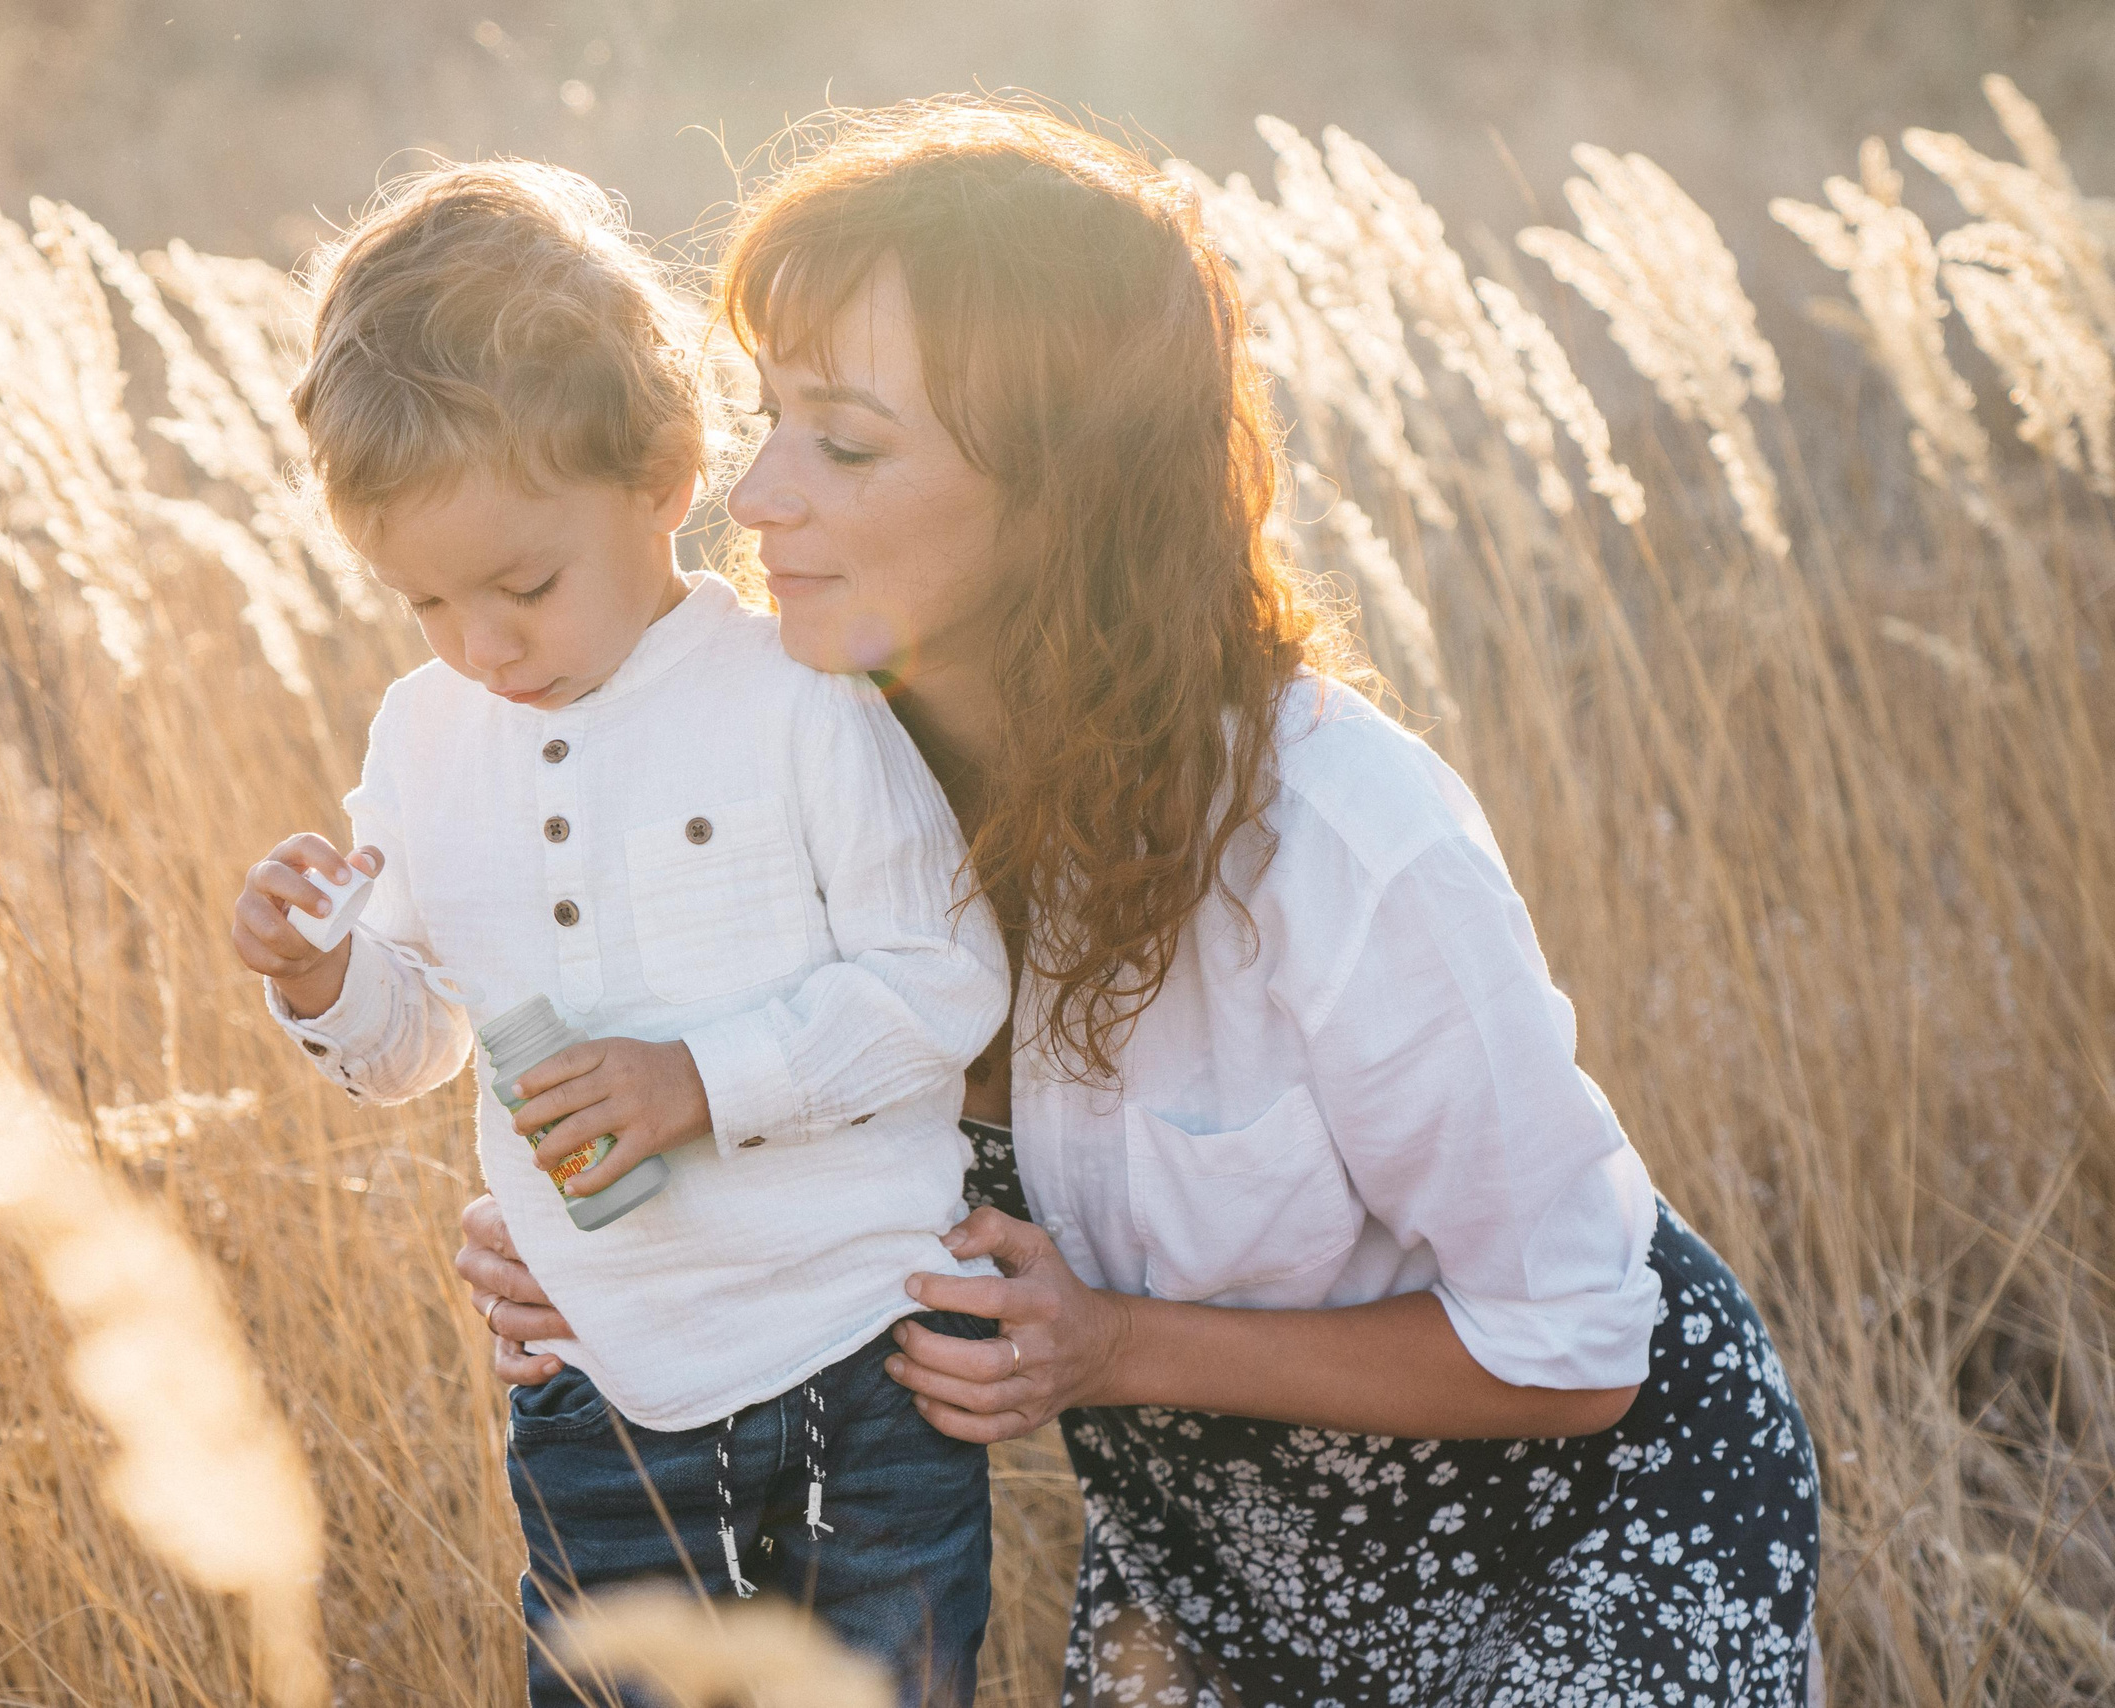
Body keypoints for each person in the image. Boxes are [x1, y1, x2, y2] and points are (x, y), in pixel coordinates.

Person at [457, 103, 1823, 1707]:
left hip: (1590, 1532)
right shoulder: (781, 778)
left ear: (1066, 492)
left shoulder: (1341, 845)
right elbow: (752, 1126)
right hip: (1209, 1570)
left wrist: (1111, 1348)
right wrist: (610, 1245)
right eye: (769, 419)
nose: (753, 497)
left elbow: (1580, 1345)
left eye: (847, 441)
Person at [228, 161, 1010, 1708]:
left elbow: (946, 983)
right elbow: (416, 1044)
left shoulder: (796, 695)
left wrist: (698, 1082)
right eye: (425, 604)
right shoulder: (428, 735)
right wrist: (324, 977)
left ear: (663, 474)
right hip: (594, 1382)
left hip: (863, 1361)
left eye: (523, 583)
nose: (481, 646)